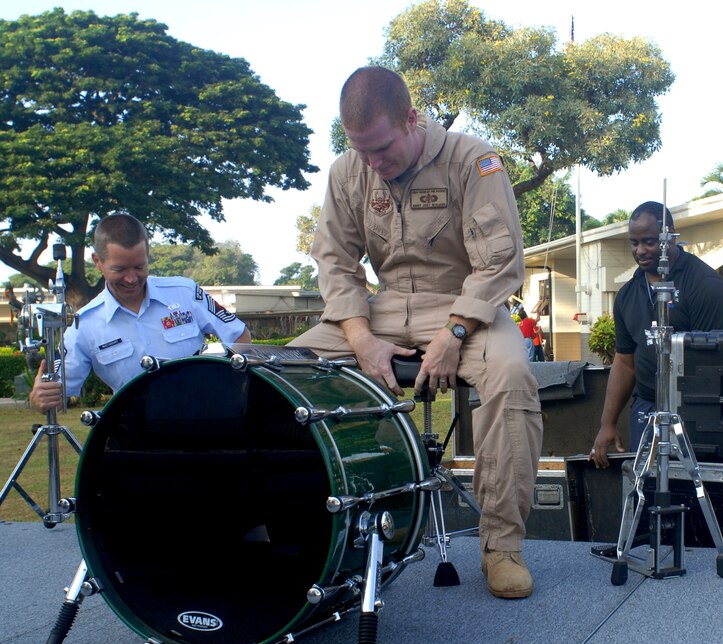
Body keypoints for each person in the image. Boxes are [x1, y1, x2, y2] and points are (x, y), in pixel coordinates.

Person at [289, 67, 543, 599]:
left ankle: (502, 545)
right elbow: (335, 263)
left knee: (512, 373)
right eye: (361, 151)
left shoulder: (473, 160)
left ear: (411, 119)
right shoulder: (347, 171)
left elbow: (499, 263)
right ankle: (291, 528)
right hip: (378, 312)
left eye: (381, 149)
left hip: (461, 305)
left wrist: (454, 333)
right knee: (281, 374)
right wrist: (359, 338)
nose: (373, 164)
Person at [28, 212, 252, 413]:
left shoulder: (184, 292)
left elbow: (239, 336)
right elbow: (57, 391)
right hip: (135, 438)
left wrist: (231, 388)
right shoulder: (84, 324)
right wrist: (41, 398)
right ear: (98, 261)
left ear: (147, 255)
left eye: (139, 267)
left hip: (207, 419)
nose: (131, 278)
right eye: (120, 269)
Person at [589, 201, 723, 469]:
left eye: (650, 242)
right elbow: (624, 361)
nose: (640, 251)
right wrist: (607, 424)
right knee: (644, 490)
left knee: (693, 493)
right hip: (646, 406)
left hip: (695, 410)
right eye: (634, 243)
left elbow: (713, 366)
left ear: (670, 236)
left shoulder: (705, 286)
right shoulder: (627, 294)